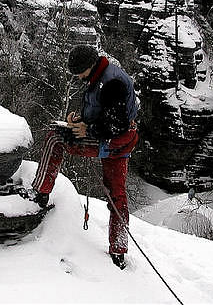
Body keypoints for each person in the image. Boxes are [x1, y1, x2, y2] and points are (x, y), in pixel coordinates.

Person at [29, 44, 138, 270]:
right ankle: (118, 250)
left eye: (78, 72)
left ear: (89, 66)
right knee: (117, 195)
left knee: (54, 139)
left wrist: (88, 131)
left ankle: (40, 193)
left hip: (113, 141)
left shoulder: (112, 83)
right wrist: (80, 118)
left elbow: (116, 124)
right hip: (117, 142)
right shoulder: (101, 76)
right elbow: (103, 111)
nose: (77, 77)